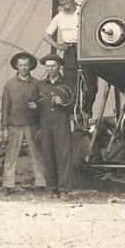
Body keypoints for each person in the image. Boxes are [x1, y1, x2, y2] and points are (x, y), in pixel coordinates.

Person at [43, 0, 97, 119]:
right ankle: (73, 112)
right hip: (70, 51)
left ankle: (87, 110)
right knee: (70, 82)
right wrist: (58, 46)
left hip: (86, 49)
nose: (64, 1)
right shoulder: (58, 17)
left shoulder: (82, 11)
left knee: (90, 83)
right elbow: (46, 35)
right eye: (61, 0)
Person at [0, 52, 46, 196]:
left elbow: (42, 105)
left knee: (37, 154)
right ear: (16, 67)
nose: (23, 68)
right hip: (14, 124)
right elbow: (5, 108)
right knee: (11, 156)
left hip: (32, 124)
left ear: (31, 66)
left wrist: (37, 107)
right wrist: (4, 128)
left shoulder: (37, 84)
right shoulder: (9, 85)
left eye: (26, 65)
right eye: (21, 65)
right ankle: (8, 184)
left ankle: (41, 182)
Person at [38, 53, 74, 200]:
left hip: (62, 123)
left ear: (59, 66)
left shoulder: (68, 84)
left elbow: (75, 104)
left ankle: (64, 189)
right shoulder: (40, 85)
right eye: (48, 66)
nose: (50, 68)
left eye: (53, 65)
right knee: (48, 155)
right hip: (45, 124)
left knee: (64, 155)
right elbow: (37, 104)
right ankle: (52, 188)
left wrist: (63, 104)